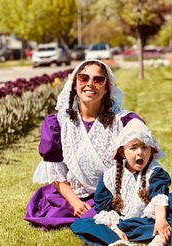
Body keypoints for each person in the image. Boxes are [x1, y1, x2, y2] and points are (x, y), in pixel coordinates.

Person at [25, 59, 143, 230]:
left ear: (107, 87)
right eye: (84, 78)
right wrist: (75, 203)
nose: (90, 84)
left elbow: (141, 164)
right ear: (74, 84)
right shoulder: (58, 125)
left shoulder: (123, 122)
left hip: (115, 195)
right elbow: (56, 172)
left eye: (98, 80)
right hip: (75, 195)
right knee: (93, 220)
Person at [70, 119, 172, 246]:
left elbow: (159, 196)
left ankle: (161, 237)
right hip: (125, 225)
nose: (140, 152)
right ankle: (116, 240)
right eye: (133, 148)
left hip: (151, 222)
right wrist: (114, 228)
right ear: (122, 152)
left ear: (151, 150)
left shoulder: (154, 172)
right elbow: (103, 209)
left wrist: (161, 219)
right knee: (82, 223)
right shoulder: (109, 177)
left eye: (144, 147)